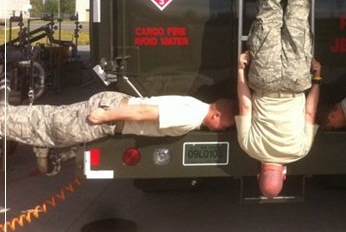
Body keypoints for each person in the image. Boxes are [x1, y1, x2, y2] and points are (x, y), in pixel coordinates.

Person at [236, 0, 320, 199]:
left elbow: (309, 112)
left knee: (298, 12)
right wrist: (241, 70)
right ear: (258, 175)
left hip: (296, 81)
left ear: (284, 175)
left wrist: (317, 78)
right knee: (269, 10)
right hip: (265, 78)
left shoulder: (300, 151)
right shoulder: (249, 147)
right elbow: (245, 105)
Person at [0, 90, 237, 148]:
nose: (223, 130)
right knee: (50, 128)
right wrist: (105, 116)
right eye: (226, 125)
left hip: (114, 107)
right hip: (113, 115)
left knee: (51, 118)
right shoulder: (191, 116)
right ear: (216, 114)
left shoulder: (196, 104)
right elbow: (145, 113)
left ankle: (4, 114)